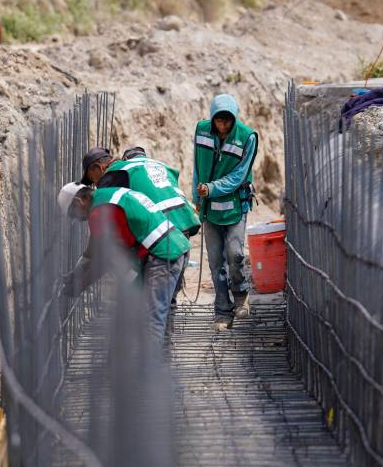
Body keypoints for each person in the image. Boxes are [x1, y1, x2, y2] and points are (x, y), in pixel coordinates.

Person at [58, 182, 189, 341]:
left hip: (163, 256)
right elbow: (94, 249)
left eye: (73, 214)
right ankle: (162, 360)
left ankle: (153, 365)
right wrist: (76, 273)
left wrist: (80, 286)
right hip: (176, 247)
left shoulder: (98, 213)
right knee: (158, 316)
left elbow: (103, 260)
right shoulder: (107, 195)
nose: (77, 220)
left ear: (79, 202)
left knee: (151, 322)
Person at [80, 146, 200, 305]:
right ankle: (164, 323)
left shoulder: (112, 176)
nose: (95, 185)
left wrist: (84, 266)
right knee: (166, 299)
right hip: (183, 227)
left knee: (150, 299)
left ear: (98, 167)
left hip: (161, 233)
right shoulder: (154, 165)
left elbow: (103, 231)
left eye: (93, 179)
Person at [192, 93, 258, 330]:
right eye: (219, 121)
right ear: (212, 119)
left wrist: (211, 188)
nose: (223, 126)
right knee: (215, 262)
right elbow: (197, 165)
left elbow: (239, 176)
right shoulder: (202, 131)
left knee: (235, 254)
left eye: (227, 121)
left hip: (235, 206)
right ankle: (222, 310)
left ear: (233, 118)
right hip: (210, 209)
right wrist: (196, 195)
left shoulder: (247, 137)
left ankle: (240, 295)